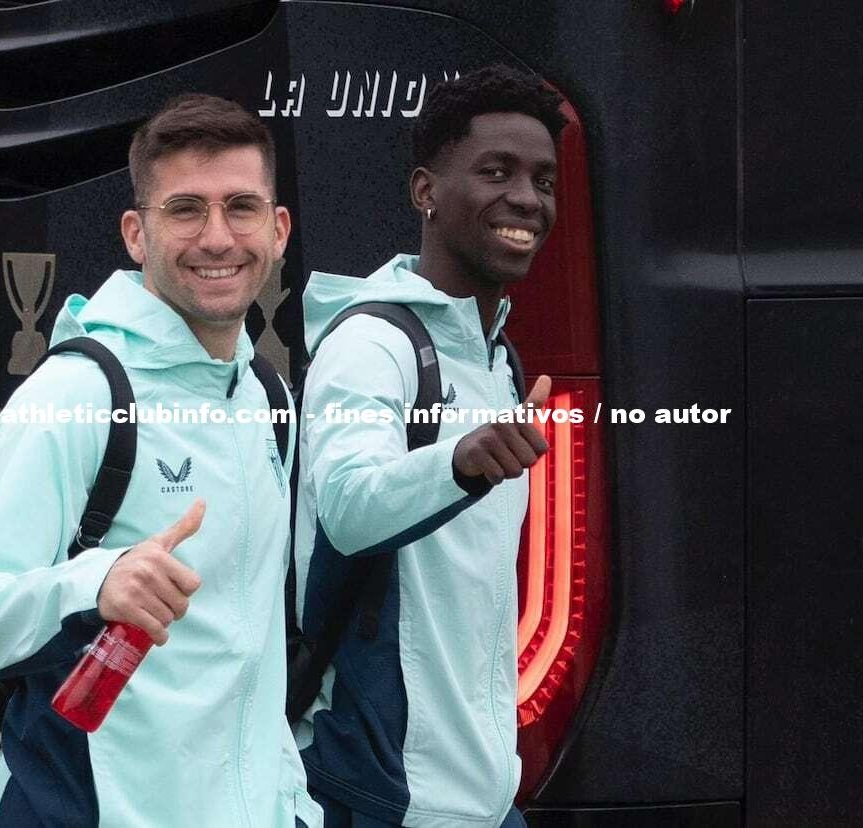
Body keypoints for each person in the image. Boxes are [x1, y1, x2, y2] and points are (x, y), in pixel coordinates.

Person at [0, 93, 323, 828]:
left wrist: (288, 803)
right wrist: (97, 581)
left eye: (240, 207)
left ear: (278, 231)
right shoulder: (76, 393)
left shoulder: (267, 396)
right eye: (185, 210)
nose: (217, 238)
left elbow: (250, 646)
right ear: (137, 235)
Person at [292, 65, 565, 827]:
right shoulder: (370, 344)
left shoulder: (499, 359)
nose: (527, 198)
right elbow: (347, 509)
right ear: (426, 192)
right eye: (496, 172)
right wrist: (458, 462)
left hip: (486, 796)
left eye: (543, 180)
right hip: (383, 794)